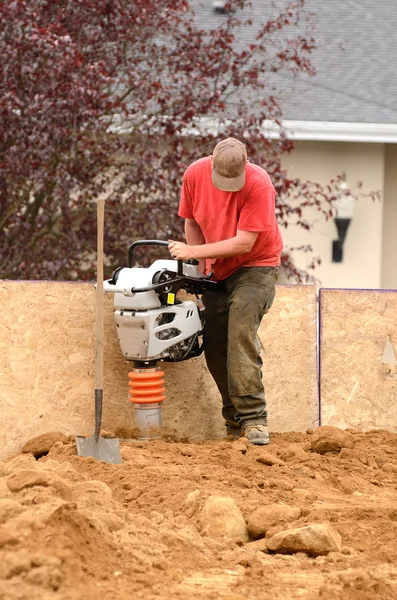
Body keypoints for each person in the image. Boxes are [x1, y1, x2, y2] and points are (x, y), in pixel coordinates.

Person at [168, 137, 283, 445]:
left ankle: (254, 418)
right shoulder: (195, 174)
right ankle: (234, 421)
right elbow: (191, 222)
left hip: (256, 266)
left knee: (240, 329)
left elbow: (244, 243)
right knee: (216, 342)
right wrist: (201, 259)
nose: (228, 185)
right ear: (211, 161)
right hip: (219, 268)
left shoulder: (259, 184)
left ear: (245, 166)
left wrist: (196, 251)